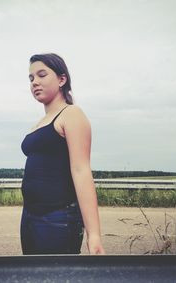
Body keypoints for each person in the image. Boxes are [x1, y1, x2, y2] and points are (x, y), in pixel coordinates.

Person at [20, 53, 105, 255]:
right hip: (30, 216)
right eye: (31, 78)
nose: (35, 82)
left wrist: (94, 235)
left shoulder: (71, 114)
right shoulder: (39, 123)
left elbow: (81, 170)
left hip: (58, 217)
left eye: (42, 75)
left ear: (61, 79)